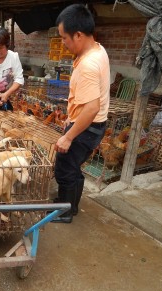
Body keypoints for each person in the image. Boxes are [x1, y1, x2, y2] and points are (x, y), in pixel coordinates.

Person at [51, 4, 110, 223]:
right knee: (73, 168)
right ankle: (69, 206)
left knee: (64, 169)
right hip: (94, 125)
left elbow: (92, 107)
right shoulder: (98, 49)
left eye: (64, 38)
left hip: (86, 126)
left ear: (78, 35)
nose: (63, 43)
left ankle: (65, 213)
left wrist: (68, 136)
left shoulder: (88, 65)